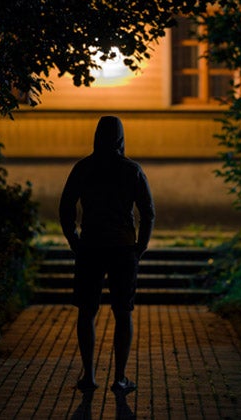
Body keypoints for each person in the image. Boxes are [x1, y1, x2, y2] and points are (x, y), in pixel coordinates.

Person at [59, 115, 155, 396]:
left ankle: (88, 375)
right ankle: (120, 377)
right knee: (123, 312)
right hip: (123, 247)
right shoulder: (131, 170)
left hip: (90, 246)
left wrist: (73, 238)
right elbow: (148, 211)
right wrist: (141, 245)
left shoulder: (84, 168)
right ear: (121, 138)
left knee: (87, 311)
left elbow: (66, 207)